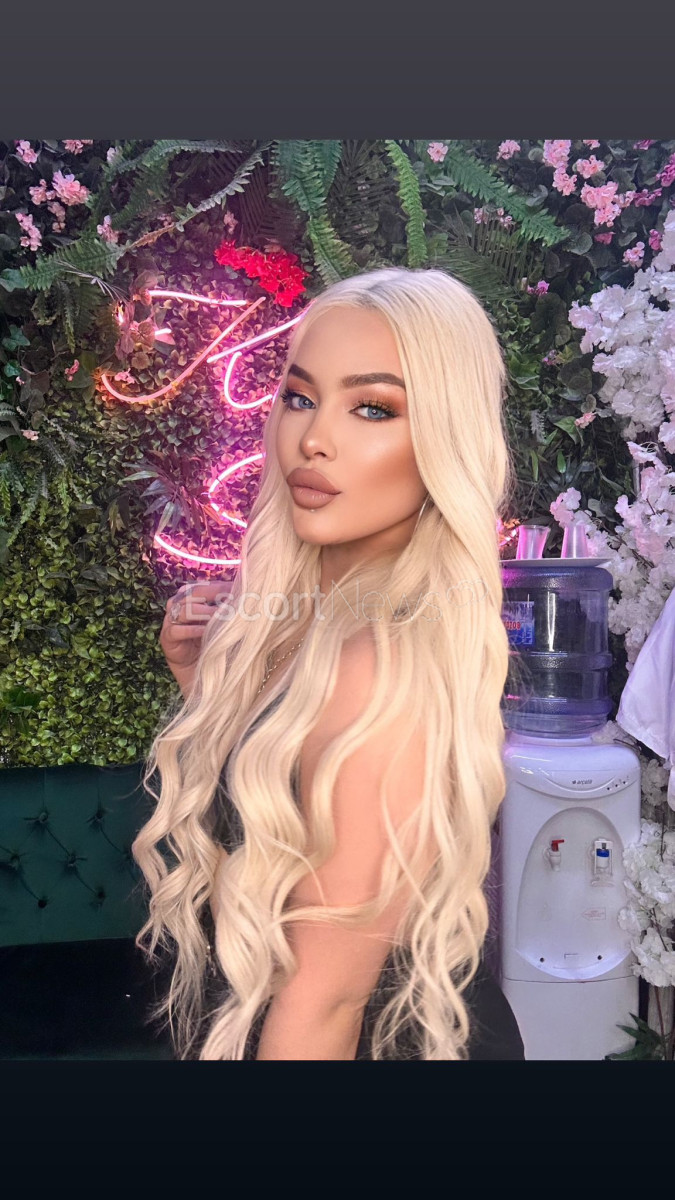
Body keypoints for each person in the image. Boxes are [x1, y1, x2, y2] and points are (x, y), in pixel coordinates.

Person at [132, 266, 524, 1061]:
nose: (313, 439)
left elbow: (324, 1003)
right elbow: (281, 818)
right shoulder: (316, 618)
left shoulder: (377, 662)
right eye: (300, 397)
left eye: (372, 408)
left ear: (443, 438)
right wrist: (213, 691)